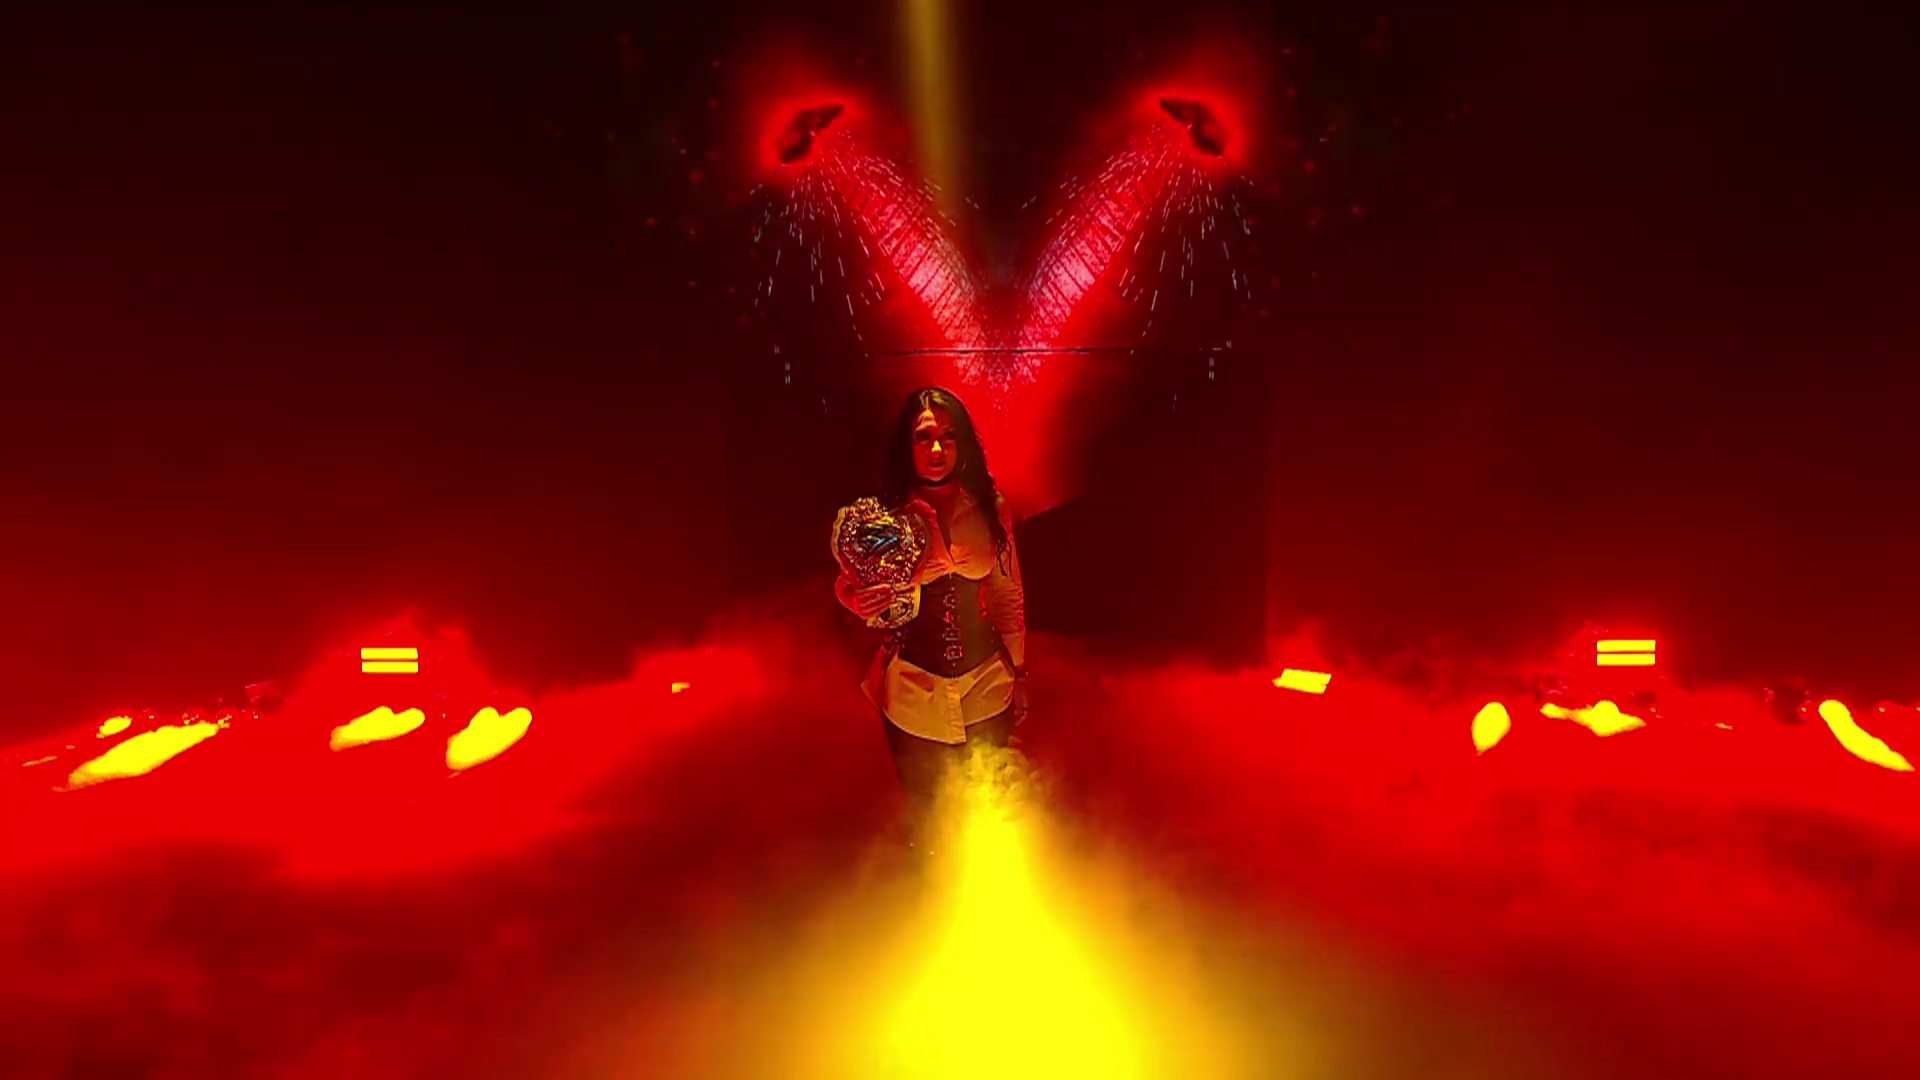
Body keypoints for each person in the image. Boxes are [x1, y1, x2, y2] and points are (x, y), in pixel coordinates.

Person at [834, 387, 1028, 851]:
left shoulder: (991, 508)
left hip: (987, 688)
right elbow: (846, 586)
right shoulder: (883, 517)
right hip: (913, 697)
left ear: (963, 443)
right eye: (924, 437)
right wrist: (858, 601)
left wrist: (1021, 673)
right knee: (928, 829)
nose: (937, 448)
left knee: (992, 818)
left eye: (948, 435)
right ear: (908, 445)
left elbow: (1008, 597)